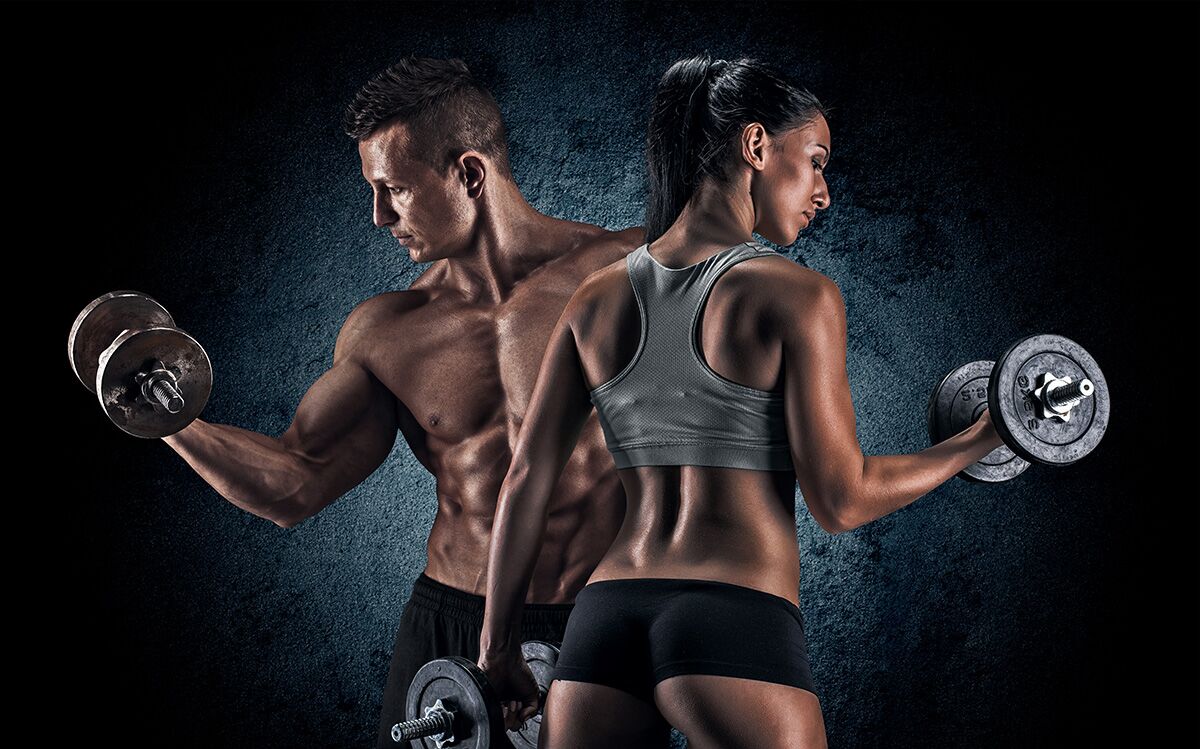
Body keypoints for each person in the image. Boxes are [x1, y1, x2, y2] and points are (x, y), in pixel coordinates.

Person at [476, 54, 1007, 748]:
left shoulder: (593, 298)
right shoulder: (796, 295)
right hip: (732, 619)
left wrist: (498, 651)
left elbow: (525, 480)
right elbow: (841, 500)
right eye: (815, 160)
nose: (823, 191)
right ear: (756, 146)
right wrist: (983, 437)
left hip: (604, 624)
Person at [156, 56, 643, 747]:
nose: (379, 215)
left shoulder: (628, 273)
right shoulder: (389, 331)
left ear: (469, 173)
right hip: (451, 623)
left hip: (602, 619)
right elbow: (295, 483)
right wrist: (172, 421)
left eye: (395, 190)